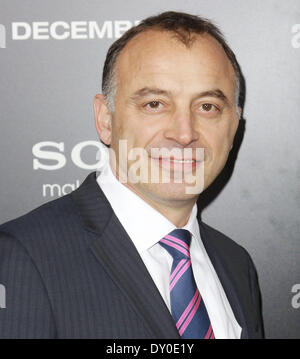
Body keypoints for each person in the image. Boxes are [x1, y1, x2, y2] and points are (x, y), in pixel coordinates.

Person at [0, 11, 264, 339]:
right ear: (106, 119)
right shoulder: (21, 256)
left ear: (234, 126)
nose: (184, 134)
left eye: (207, 106)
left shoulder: (236, 264)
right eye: (155, 104)